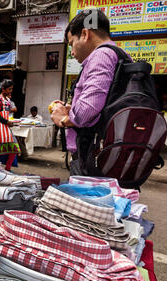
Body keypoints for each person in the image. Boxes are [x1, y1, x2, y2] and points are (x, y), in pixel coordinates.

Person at [50, 9, 130, 175]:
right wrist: (71, 108)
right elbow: (105, 106)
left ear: (85, 34)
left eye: (72, 44)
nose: (72, 52)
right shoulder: (123, 55)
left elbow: (87, 113)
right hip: (116, 154)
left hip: (93, 158)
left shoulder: (100, 56)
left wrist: (63, 119)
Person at [0, 79, 20, 171]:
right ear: (3, 89)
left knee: (13, 148)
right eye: (9, 89)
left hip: (4, 127)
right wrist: (6, 122)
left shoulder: (7, 100)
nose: (11, 91)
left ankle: (7, 168)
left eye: (11, 89)